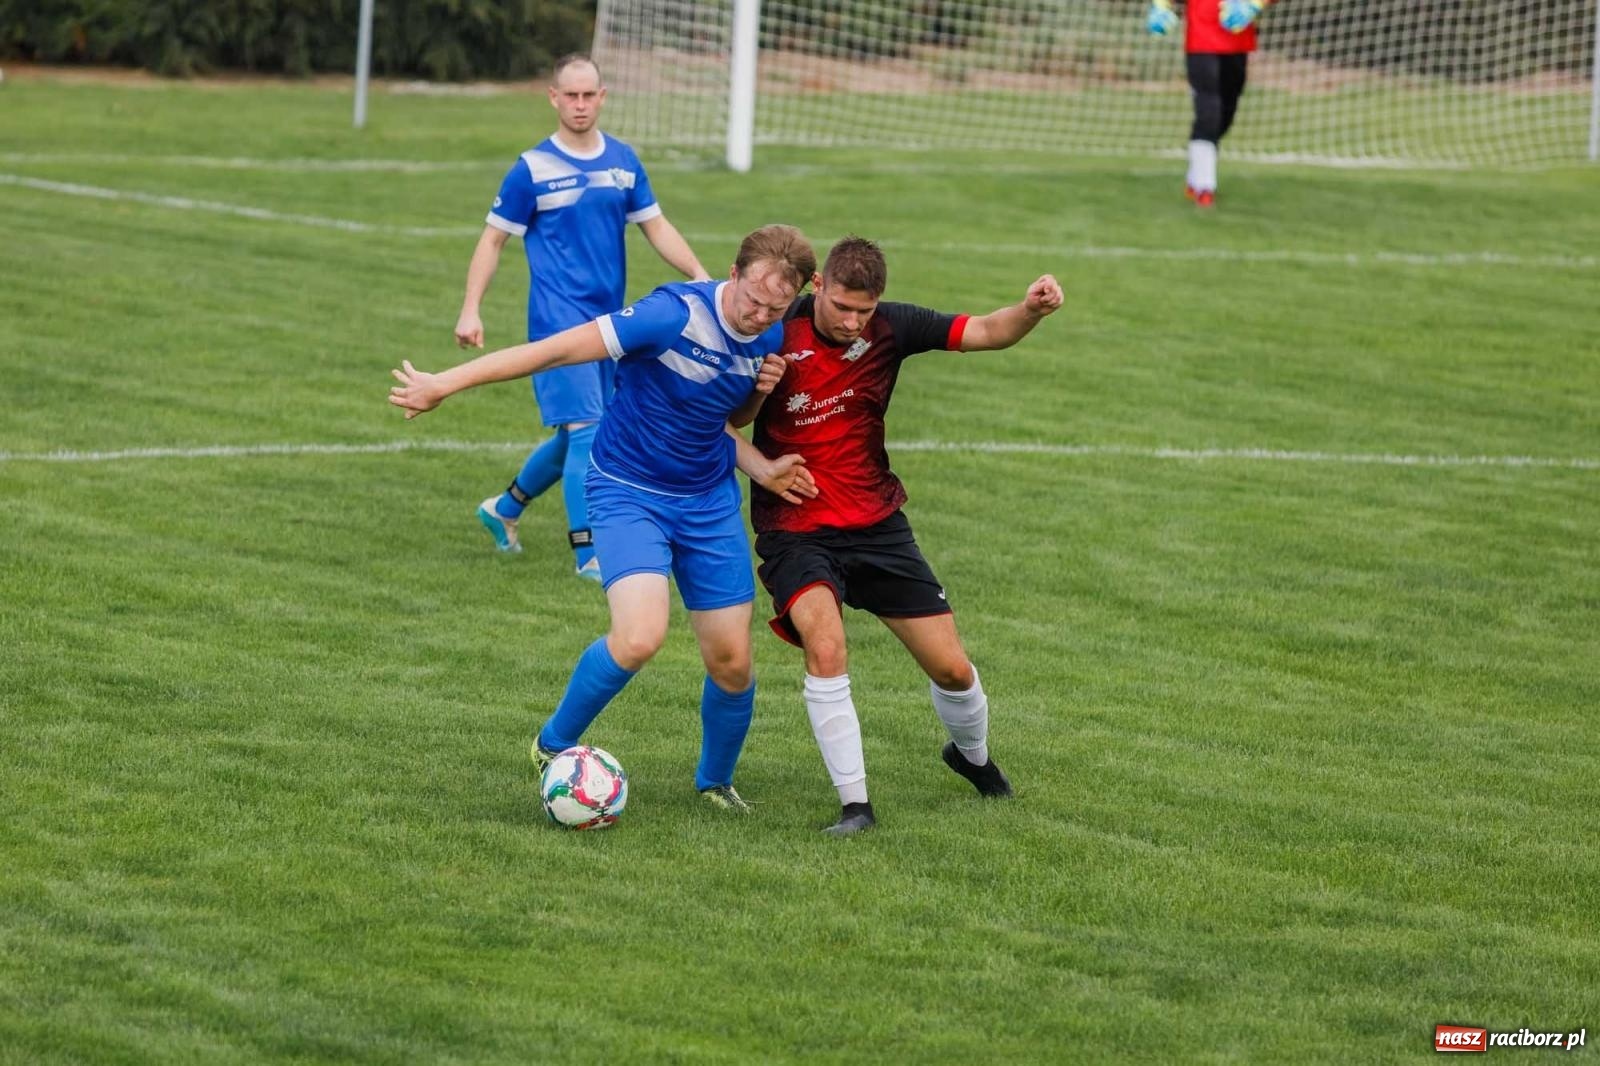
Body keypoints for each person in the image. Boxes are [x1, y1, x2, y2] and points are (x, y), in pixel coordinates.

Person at [394, 225, 818, 812]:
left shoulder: (769, 333)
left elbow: (720, 421)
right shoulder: (669, 316)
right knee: (639, 637)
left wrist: (763, 462)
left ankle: (715, 783)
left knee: (733, 662)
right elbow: (555, 351)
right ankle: (552, 745)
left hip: (707, 501)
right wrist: (447, 382)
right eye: (752, 299)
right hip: (629, 493)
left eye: (774, 307)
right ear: (733, 272)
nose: (758, 315)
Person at [730, 237, 1064, 836]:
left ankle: (972, 757)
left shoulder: (892, 327)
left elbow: (986, 330)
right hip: (796, 529)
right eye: (843, 307)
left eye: (865, 310)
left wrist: (1031, 311)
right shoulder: (772, 325)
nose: (853, 321)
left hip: (877, 524)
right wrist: (758, 386)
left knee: (954, 671)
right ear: (819, 287)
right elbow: (728, 424)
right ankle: (856, 806)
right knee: (826, 644)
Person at [455, 52, 710, 579]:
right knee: (590, 430)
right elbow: (493, 239)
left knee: (576, 435)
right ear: (553, 97)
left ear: (602, 97)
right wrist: (471, 309)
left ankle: (502, 510)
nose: (579, 104)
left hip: (613, 325)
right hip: (556, 321)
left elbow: (656, 226)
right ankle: (589, 553)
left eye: (588, 95)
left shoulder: (622, 161)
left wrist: (700, 275)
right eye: (569, 95)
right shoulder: (531, 169)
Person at [1147, 0, 1276, 207]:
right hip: (1200, 42)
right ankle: (1204, 186)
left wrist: (1254, 4)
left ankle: (1196, 173)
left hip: (1237, 38)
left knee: (1226, 113)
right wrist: (1160, 7)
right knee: (1209, 111)